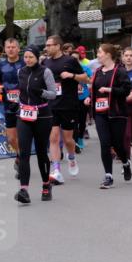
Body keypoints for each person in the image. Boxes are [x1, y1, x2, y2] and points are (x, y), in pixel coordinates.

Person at [13, 45, 57, 204]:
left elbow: (53, 94)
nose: (28, 60)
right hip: (24, 115)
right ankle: (24, 190)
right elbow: (21, 91)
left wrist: (42, 93)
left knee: (40, 152)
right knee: (24, 152)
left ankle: (46, 185)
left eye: (31, 57)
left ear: (37, 57)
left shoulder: (45, 72)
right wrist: (16, 102)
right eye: (25, 57)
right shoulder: (21, 71)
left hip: (42, 116)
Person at [42, 35, 88, 184]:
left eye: (50, 45)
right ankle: (56, 170)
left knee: (68, 139)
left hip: (68, 105)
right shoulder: (45, 62)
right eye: (46, 45)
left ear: (58, 46)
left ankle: (72, 157)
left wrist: (71, 75)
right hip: (52, 105)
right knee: (53, 138)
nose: (47, 48)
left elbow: (85, 77)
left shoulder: (70, 61)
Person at [87, 44, 132, 189]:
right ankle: (108, 175)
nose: (98, 55)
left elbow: (126, 90)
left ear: (108, 54)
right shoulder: (98, 72)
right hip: (101, 113)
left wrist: (109, 90)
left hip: (117, 112)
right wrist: (89, 98)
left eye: (99, 52)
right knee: (105, 144)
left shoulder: (120, 71)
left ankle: (125, 162)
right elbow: (94, 90)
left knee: (117, 144)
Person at [0, 38, 24, 177]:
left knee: (23, 136)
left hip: (25, 105)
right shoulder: (1, 65)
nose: (11, 49)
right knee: (11, 138)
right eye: (8, 47)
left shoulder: (25, 63)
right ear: (5, 50)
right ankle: (19, 155)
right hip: (8, 106)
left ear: (18, 49)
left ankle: (23, 162)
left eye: (13, 47)